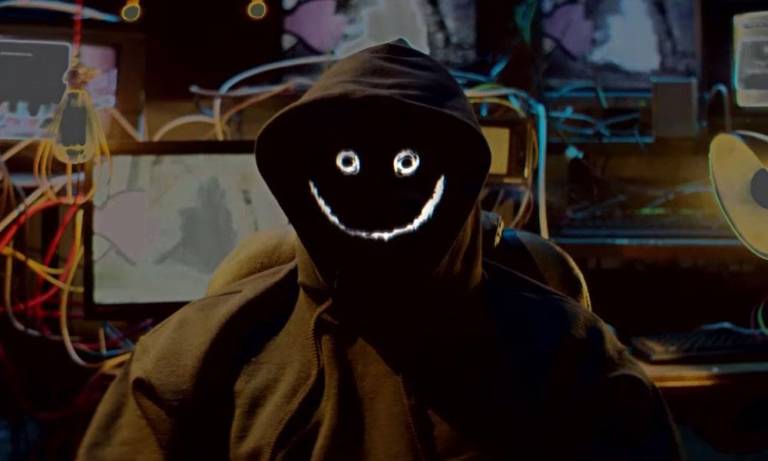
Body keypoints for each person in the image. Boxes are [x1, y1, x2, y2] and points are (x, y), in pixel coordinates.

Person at [78, 40, 683, 460]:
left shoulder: (573, 361)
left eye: (406, 163)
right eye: (347, 162)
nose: (375, 189)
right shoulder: (190, 361)